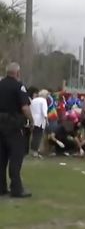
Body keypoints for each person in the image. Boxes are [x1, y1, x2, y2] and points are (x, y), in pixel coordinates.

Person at [0, 62, 33, 198]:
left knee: (1, 158)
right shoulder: (19, 86)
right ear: (17, 73)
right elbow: (25, 108)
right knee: (16, 156)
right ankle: (16, 189)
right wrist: (31, 120)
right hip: (13, 124)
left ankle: (1, 188)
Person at [29, 89, 49, 158]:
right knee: (38, 136)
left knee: (34, 136)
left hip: (33, 119)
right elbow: (44, 111)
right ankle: (35, 151)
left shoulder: (34, 100)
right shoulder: (43, 101)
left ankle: (32, 150)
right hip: (40, 120)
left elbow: (30, 109)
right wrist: (47, 120)